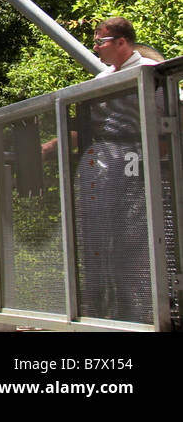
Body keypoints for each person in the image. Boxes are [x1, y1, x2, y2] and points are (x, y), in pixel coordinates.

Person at [80, 17, 158, 321]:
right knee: (106, 241)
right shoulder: (104, 80)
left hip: (142, 169)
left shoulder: (150, 74)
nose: (96, 47)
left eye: (101, 42)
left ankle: (145, 314)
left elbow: (167, 120)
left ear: (121, 42)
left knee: (139, 241)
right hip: (109, 172)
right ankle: (109, 313)